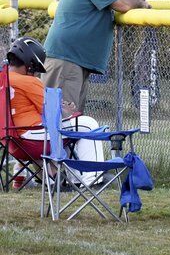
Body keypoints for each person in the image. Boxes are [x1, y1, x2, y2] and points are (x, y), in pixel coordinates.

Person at [43, 0, 151, 112]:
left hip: (71, 61)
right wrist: (142, 2)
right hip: (66, 61)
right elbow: (122, 5)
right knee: (61, 122)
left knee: (72, 121)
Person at [6, 37, 106, 187]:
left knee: (67, 129)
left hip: (11, 141)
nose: (35, 74)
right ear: (30, 64)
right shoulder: (28, 81)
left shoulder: (3, 79)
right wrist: (68, 110)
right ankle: (93, 179)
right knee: (87, 124)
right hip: (32, 138)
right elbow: (54, 112)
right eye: (35, 70)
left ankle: (64, 179)